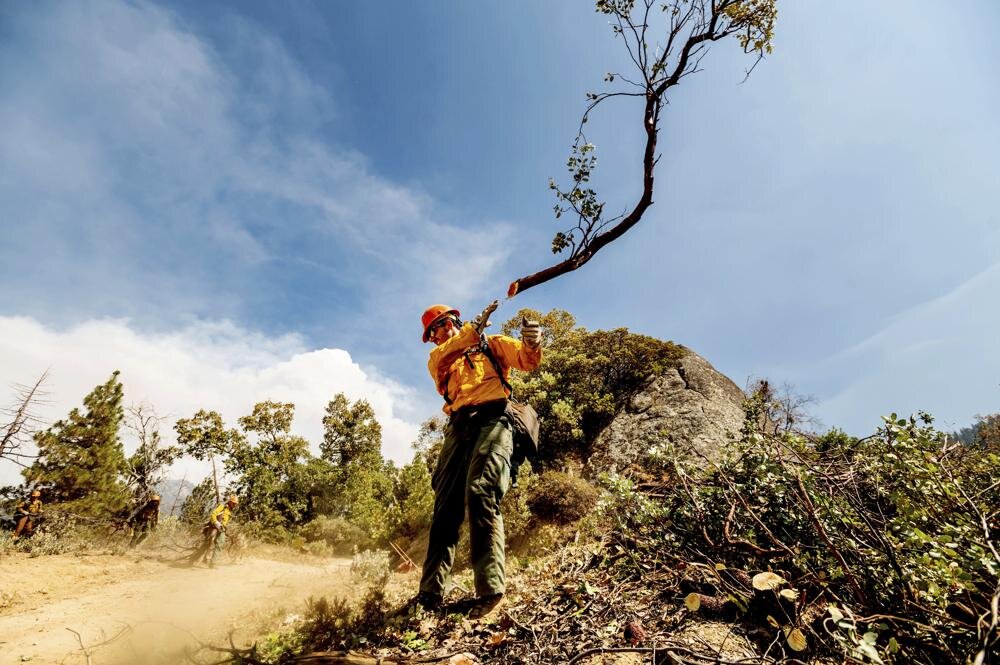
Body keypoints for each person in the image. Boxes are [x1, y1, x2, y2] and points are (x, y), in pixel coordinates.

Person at [414, 303, 542, 619]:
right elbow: (450, 351)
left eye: (446, 324)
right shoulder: (438, 358)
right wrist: (472, 331)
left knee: (482, 492)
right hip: (458, 427)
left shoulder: (492, 344)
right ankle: (429, 594)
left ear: (455, 321)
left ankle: (490, 590)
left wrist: (531, 340)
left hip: (494, 419)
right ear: (432, 339)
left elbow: (526, 361)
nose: (442, 332)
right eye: (436, 330)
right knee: (445, 507)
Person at [187, 494, 238, 568]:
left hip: (222, 529)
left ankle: (213, 563)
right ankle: (192, 560)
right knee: (206, 545)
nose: (235, 505)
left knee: (220, 544)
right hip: (213, 528)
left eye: (235, 504)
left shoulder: (230, 510)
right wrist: (216, 522)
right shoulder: (222, 507)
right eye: (234, 503)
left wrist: (223, 527)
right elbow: (213, 515)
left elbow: (225, 521)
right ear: (230, 502)